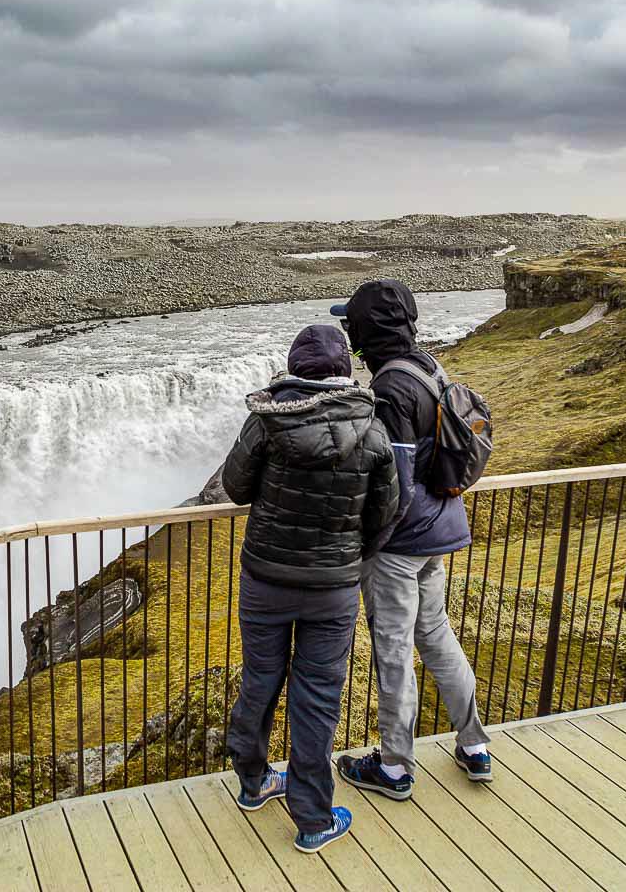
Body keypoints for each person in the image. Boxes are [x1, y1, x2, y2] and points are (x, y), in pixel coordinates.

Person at [221, 323, 399, 853]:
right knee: (317, 699)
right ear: (345, 368)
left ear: (294, 365)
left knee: (260, 680)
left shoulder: (267, 421)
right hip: (333, 591)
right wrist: (350, 558)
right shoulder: (372, 429)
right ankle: (314, 819)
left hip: (265, 580)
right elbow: (384, 513)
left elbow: (235, 488)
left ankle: (253, 783)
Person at [332, 279, 493, 799]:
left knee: (394, 650)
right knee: (437, 636)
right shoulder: (426, 367)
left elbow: (394, 481)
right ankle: (474, 746)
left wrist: (370, 541)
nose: (347, 333)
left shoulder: (389, 390)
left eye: (350, 324)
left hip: (402, 545)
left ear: (365, 332)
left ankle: (396, 768)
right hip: (439, 529)